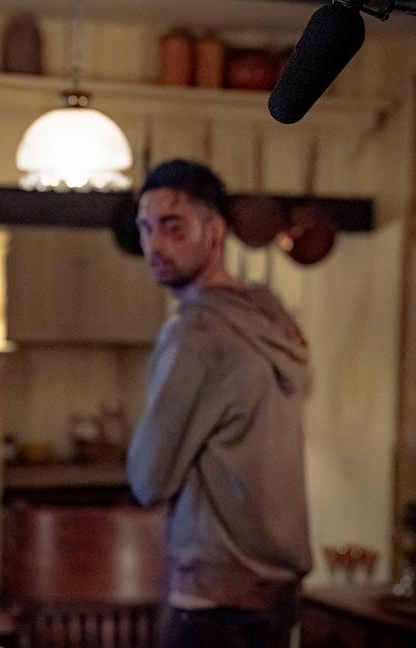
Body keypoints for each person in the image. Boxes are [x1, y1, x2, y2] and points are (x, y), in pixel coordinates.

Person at [126, 160, 312, 648]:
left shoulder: (198, 332)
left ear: (214, 232)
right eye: (146, 228)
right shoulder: (268, 313)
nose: (155, 245)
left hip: (215, 596)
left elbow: (148, 479)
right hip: (277, 594)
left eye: (173, 226)